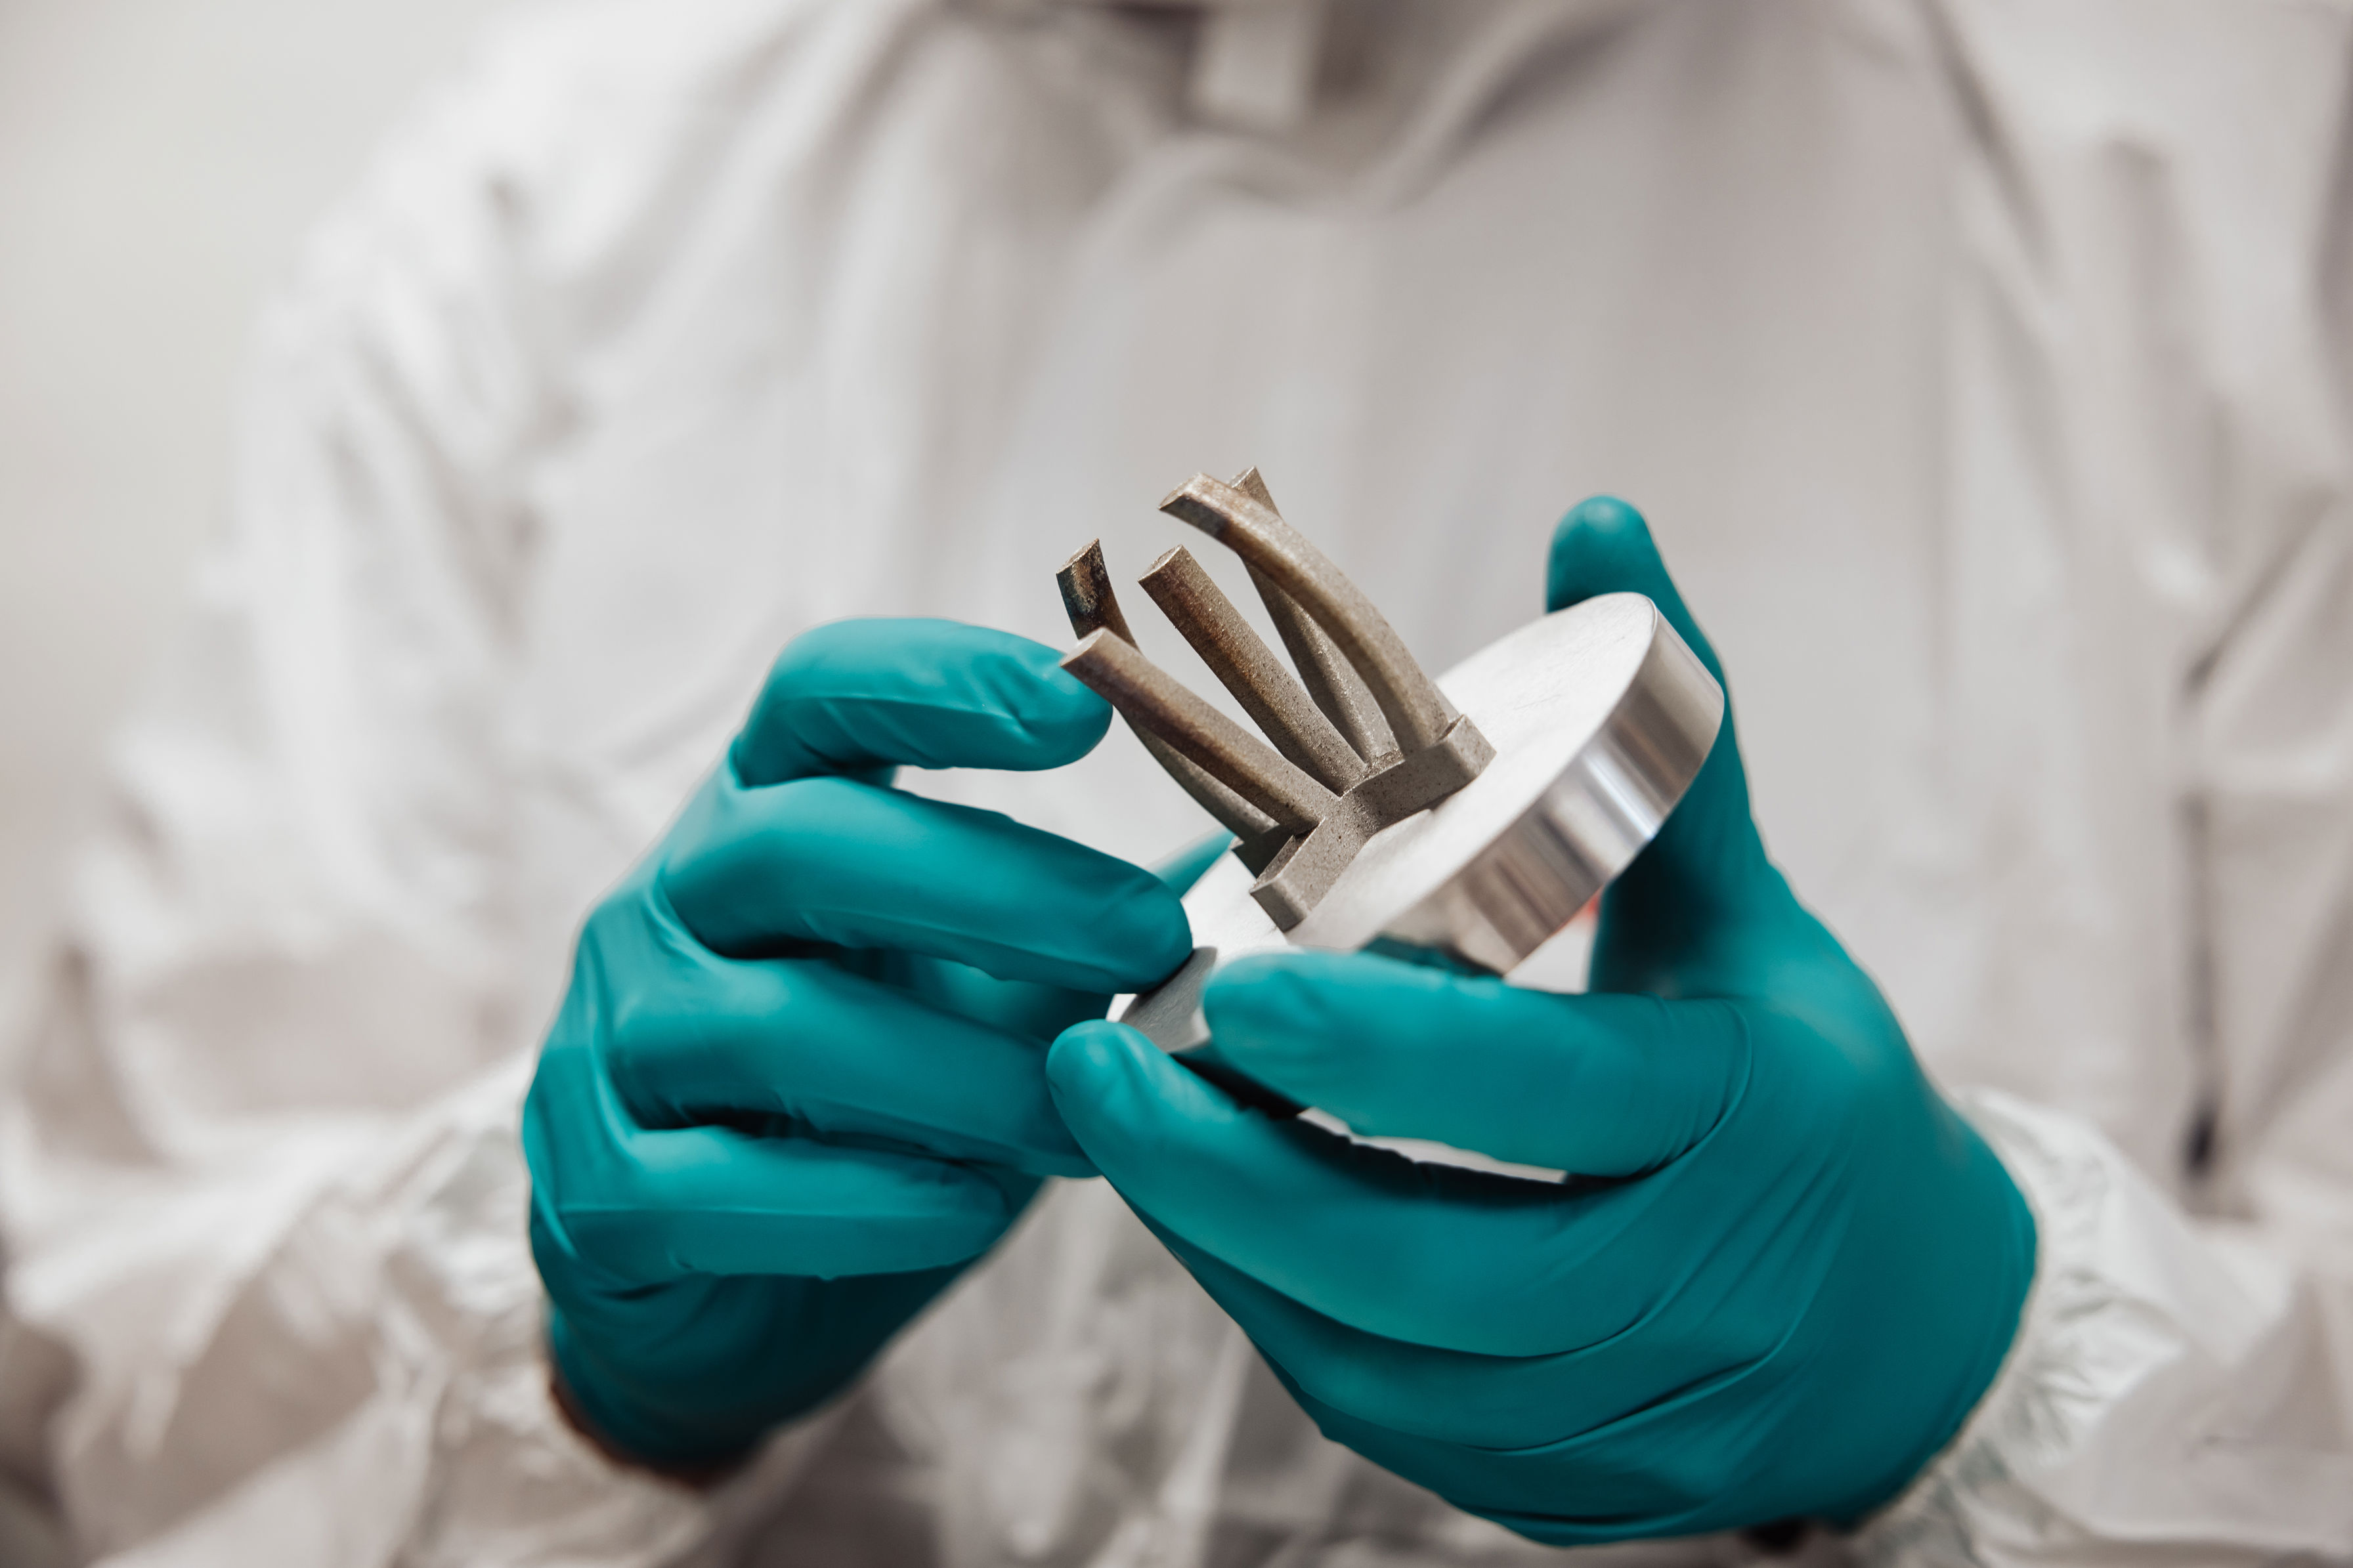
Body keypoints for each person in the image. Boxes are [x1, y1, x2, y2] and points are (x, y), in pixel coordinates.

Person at [2, 0, 2348, 1563]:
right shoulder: (543, 219)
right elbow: (96, 1376)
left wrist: (1990, 1366)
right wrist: (567, 1361)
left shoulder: (2207, 211)